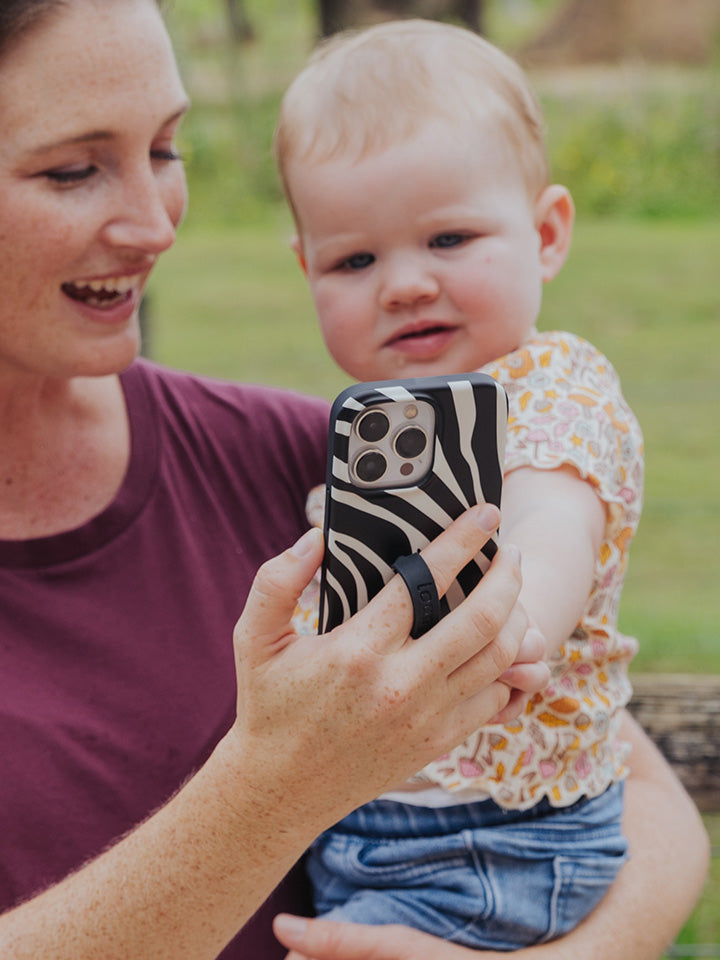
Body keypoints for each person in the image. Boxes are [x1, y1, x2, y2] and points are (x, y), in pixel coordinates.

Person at [0, 4, 707, 960]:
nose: (155, 224)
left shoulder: (327, 461)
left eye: (167, 149)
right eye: (71, 169)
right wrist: (273, 787)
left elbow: (635, 786)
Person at [273, 18, 702, 951]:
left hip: (498, 839)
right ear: (306, 271)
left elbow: (554, 523)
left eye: (450, 238)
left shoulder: (550, 390)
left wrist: (517, 627)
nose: (405, 284)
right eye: (356, 260)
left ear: (547, 234)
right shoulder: (375, 426)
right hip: (381, 826)